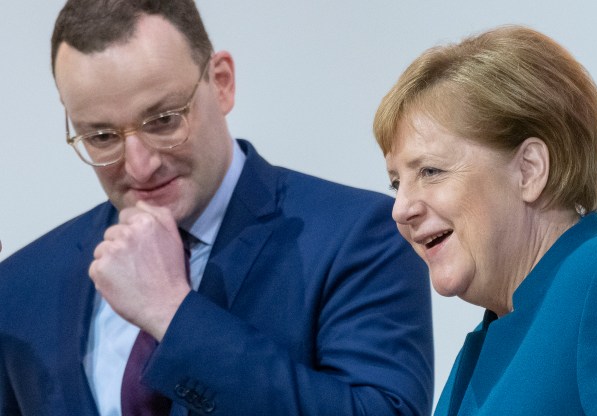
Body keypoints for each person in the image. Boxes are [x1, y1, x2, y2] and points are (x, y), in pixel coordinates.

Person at [0, 1, 433, 415]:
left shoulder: (359, 236)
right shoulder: (20, 287)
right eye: (101, 137)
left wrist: (171, 312)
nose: (140, 165)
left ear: (221, 81)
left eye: (164, 120)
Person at [373, 25, 597, 415]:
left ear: (529, 170)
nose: (401, 209)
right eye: (398, 184)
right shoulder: (484, 348)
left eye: (430, 171)